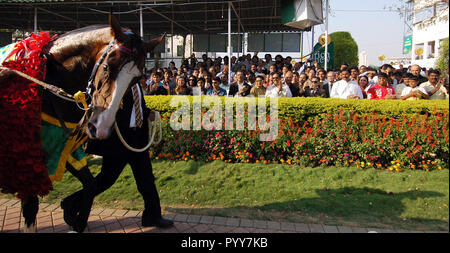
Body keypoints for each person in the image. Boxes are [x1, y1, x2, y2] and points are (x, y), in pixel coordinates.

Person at [62, 77, 174, 229]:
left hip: (137, 139)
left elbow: (136, 107)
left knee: (146, 179)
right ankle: (71, 203)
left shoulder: (136, 85)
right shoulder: (114, 83)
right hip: (119, 141)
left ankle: (152, 216)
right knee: (106, 180)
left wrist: (148, 113)